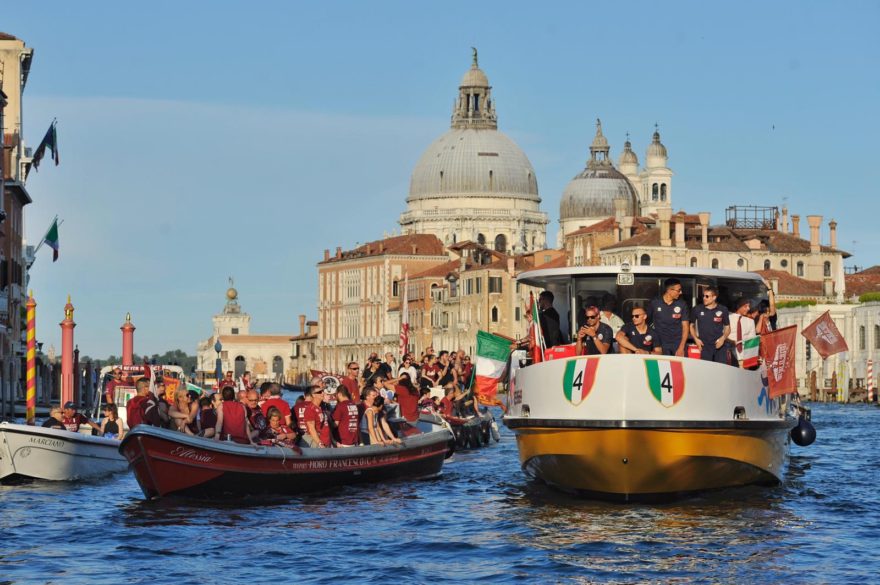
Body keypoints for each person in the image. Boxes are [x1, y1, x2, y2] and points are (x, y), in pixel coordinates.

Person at [648, 278, 690, 356]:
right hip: (660, 343)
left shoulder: (682, 304)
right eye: (678, 290)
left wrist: (681, 347)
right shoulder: (655, 303)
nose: (681, 292)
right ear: (669, 290)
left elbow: (685, 326)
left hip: (678, 343)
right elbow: (646, 322)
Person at [690, 286, 732, 363]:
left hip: (719, 345)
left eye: (707, 296)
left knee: (720, 368)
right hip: (704, 346)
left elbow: (727, 327)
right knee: (706, 369)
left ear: (714, 297)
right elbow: (691, 326)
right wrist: (696, 339)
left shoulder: (723, 309)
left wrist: (722, 339)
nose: (704, 298)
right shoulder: (697, 309)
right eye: (703, 296)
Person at [728, 298, 757, 368]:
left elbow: (752, 340)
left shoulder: (750, 321)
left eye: (749, 306)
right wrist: (731, 342)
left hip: (744, 357)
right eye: (745, 306)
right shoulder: (728, 318)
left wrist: (751, 358)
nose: (748, 308)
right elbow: (722, 335)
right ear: (739, 307)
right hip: (730, 355)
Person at [302, 383, 331, 448]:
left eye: (322, 391)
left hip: (327, 442)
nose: (322, 393)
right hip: (318, 444)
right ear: (313, 395)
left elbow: (326, 425)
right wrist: (320, 443)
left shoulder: (322, 407)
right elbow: (311, 429)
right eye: (319, 392)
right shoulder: (310, 409)